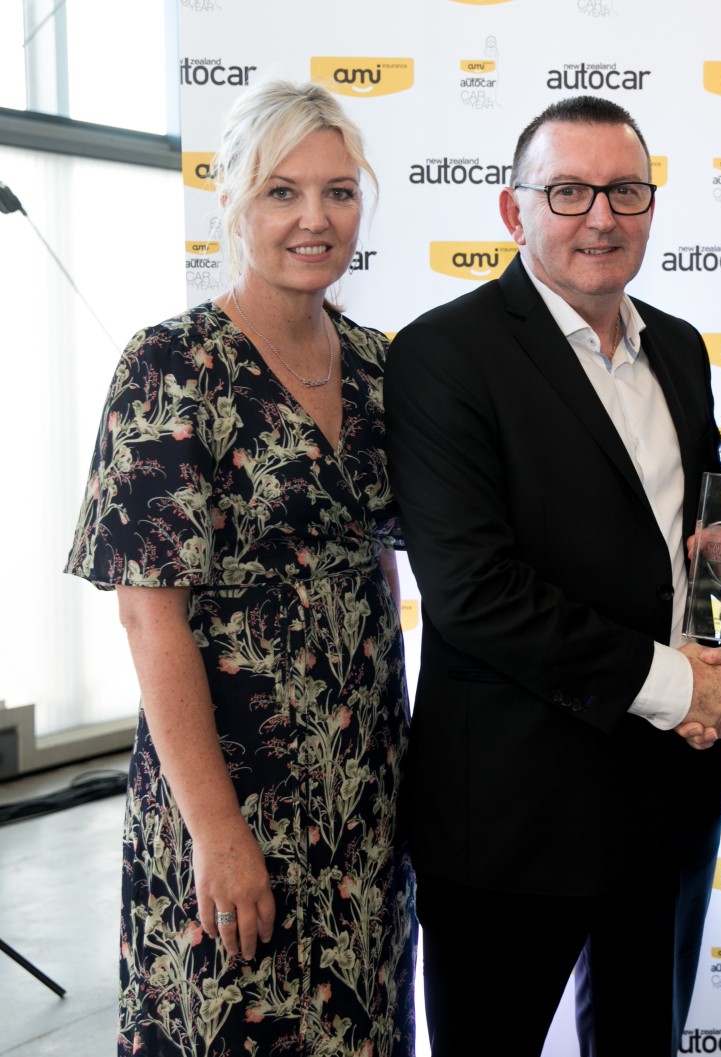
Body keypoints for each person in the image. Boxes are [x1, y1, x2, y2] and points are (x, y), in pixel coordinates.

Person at [385, 95, 721, 1057]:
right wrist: (688, 683)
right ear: (515, 213)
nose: (601, 215)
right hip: (514, 820)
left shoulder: (678, 348)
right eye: (569, 191)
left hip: (667, 803)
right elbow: (476, 593)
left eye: (626, 190)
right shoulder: (445, 353)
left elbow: (691, 550)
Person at [65, 80, 416, 1057]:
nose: (315, 218)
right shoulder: (173, 367)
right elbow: (149, 618)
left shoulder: (383, 367)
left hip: (364, 805)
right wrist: (217, 834)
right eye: (283, 192)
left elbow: (412, 558)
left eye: (339, 192)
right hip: (230, 799)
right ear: (234, 202)